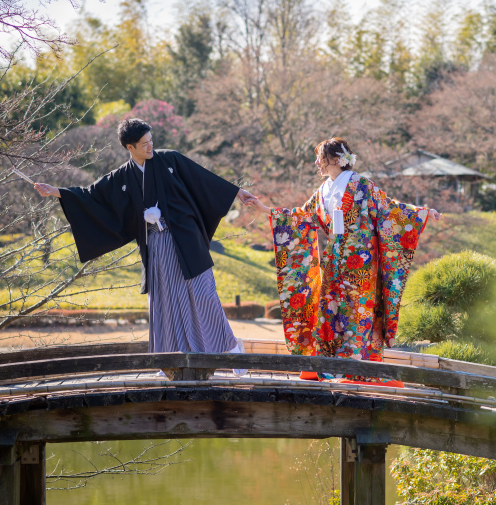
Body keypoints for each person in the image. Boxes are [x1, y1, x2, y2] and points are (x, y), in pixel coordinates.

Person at [34, 118, 256, 375]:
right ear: (130, 147)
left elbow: (203, 180)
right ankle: (168, 361)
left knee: (204, 295)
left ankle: (231, 351)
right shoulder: (122, 176)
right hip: (157, 246)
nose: (151, 146)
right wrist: (57, 192)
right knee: (165, 301)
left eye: (151, 141)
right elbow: (92, 195)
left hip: (186, 240)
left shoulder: (170, 160)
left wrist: (237, 193)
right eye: (144, 144)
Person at [247, 138, 441, 384]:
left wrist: (421, 213)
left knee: (356, 314)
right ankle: (329, 367)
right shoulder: (323, 190)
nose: (317, 162)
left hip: (361, 263)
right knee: (330, 312)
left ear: (337, 160)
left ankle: (357, 369)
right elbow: (302, 216)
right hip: (334, 260)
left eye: (321, 157)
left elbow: (389, 209)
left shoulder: (361, 184)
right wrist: (266, 209)